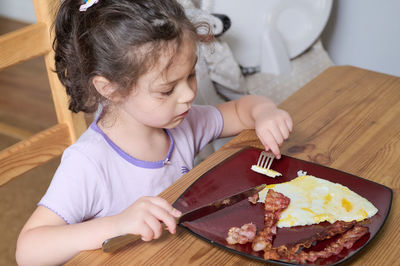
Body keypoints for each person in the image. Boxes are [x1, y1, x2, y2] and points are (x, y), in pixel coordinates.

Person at [16, 0, 293, 265]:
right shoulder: (88, 163)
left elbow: (241, 110)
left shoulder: (181, 122)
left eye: (191, 75)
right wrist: (116, 223)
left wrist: (264, 112)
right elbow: (28, 250)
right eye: (167, 89)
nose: (188, 95)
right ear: (110, 88)